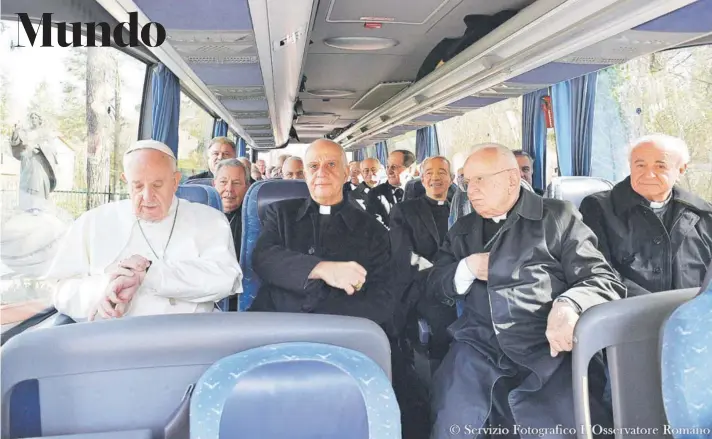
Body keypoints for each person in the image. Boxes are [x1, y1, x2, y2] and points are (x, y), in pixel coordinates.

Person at [429, 144, 625, 439]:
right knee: (453, 422)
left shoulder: (558, 218)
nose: (471, 191)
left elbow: (601, 278)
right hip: (478, 345)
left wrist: (569, 304)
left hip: (548, 344)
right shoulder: (462, 230)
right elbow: (433, 285)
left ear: (511, 179)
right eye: (467, 182)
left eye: (481, 180)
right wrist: (465, 269)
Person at [46, 140, 242, 321]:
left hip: (188, 337)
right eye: (137, 186)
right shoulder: (92, 221)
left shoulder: (209, 219)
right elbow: (61, 289)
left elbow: (226, 278)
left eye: (157, 185)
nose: (147, 197)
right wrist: (105, 287)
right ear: (125, 180)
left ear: (175, 181)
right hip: (111, 339)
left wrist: (150, 275)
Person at [249, 139, 395, 326]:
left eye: (331, 164)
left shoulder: (374, 230)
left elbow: (383, 299)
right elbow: (263, 258)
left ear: (346, 174)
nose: (321, 173)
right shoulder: (280, 213)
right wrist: (320, 268)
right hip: (277, 323)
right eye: (313, 166)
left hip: (340, 330)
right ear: (306, 174)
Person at [579, 134, 712, 296]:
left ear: (681, 169)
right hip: (625, 313)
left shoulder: (703, 214)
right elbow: (596, 270)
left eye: (660, 166)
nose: (648, 174)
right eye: (640, 165)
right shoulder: (597, 208)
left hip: (693, 314)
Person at [389, 156, 458, 439]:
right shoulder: (405, 211)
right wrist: (442, 273)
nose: (435, 177)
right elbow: (402, 254)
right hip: (424, 284)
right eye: (429, 172)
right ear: (421, 178)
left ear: (452, 177)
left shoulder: (465, 206)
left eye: (442, 172)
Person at [10, 113, 59, 208]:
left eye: (35, 117)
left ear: (39, 119)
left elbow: (52, 148)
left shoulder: (45, 132)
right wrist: (16, 132)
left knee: (38, 182)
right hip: (29, 161)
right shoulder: (27, 132)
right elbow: (16, 143)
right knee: (28, 182)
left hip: (40, 162)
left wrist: (39, 148)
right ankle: (28, 205)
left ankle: (38, 205)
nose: (33, 119)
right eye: (31, 118)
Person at [367, 150, 416, 226]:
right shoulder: (375, 194)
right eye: (388, 167)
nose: (389, 171)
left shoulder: (423, 190)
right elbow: (377, 228)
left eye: (394, 167)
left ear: (410, 169)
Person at [213, 159, 250, 259]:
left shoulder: (253, 219)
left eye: (236, 183)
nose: (229, 189)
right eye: (223, 182)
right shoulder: (198, 216)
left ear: (246, 187)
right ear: (214, 184)